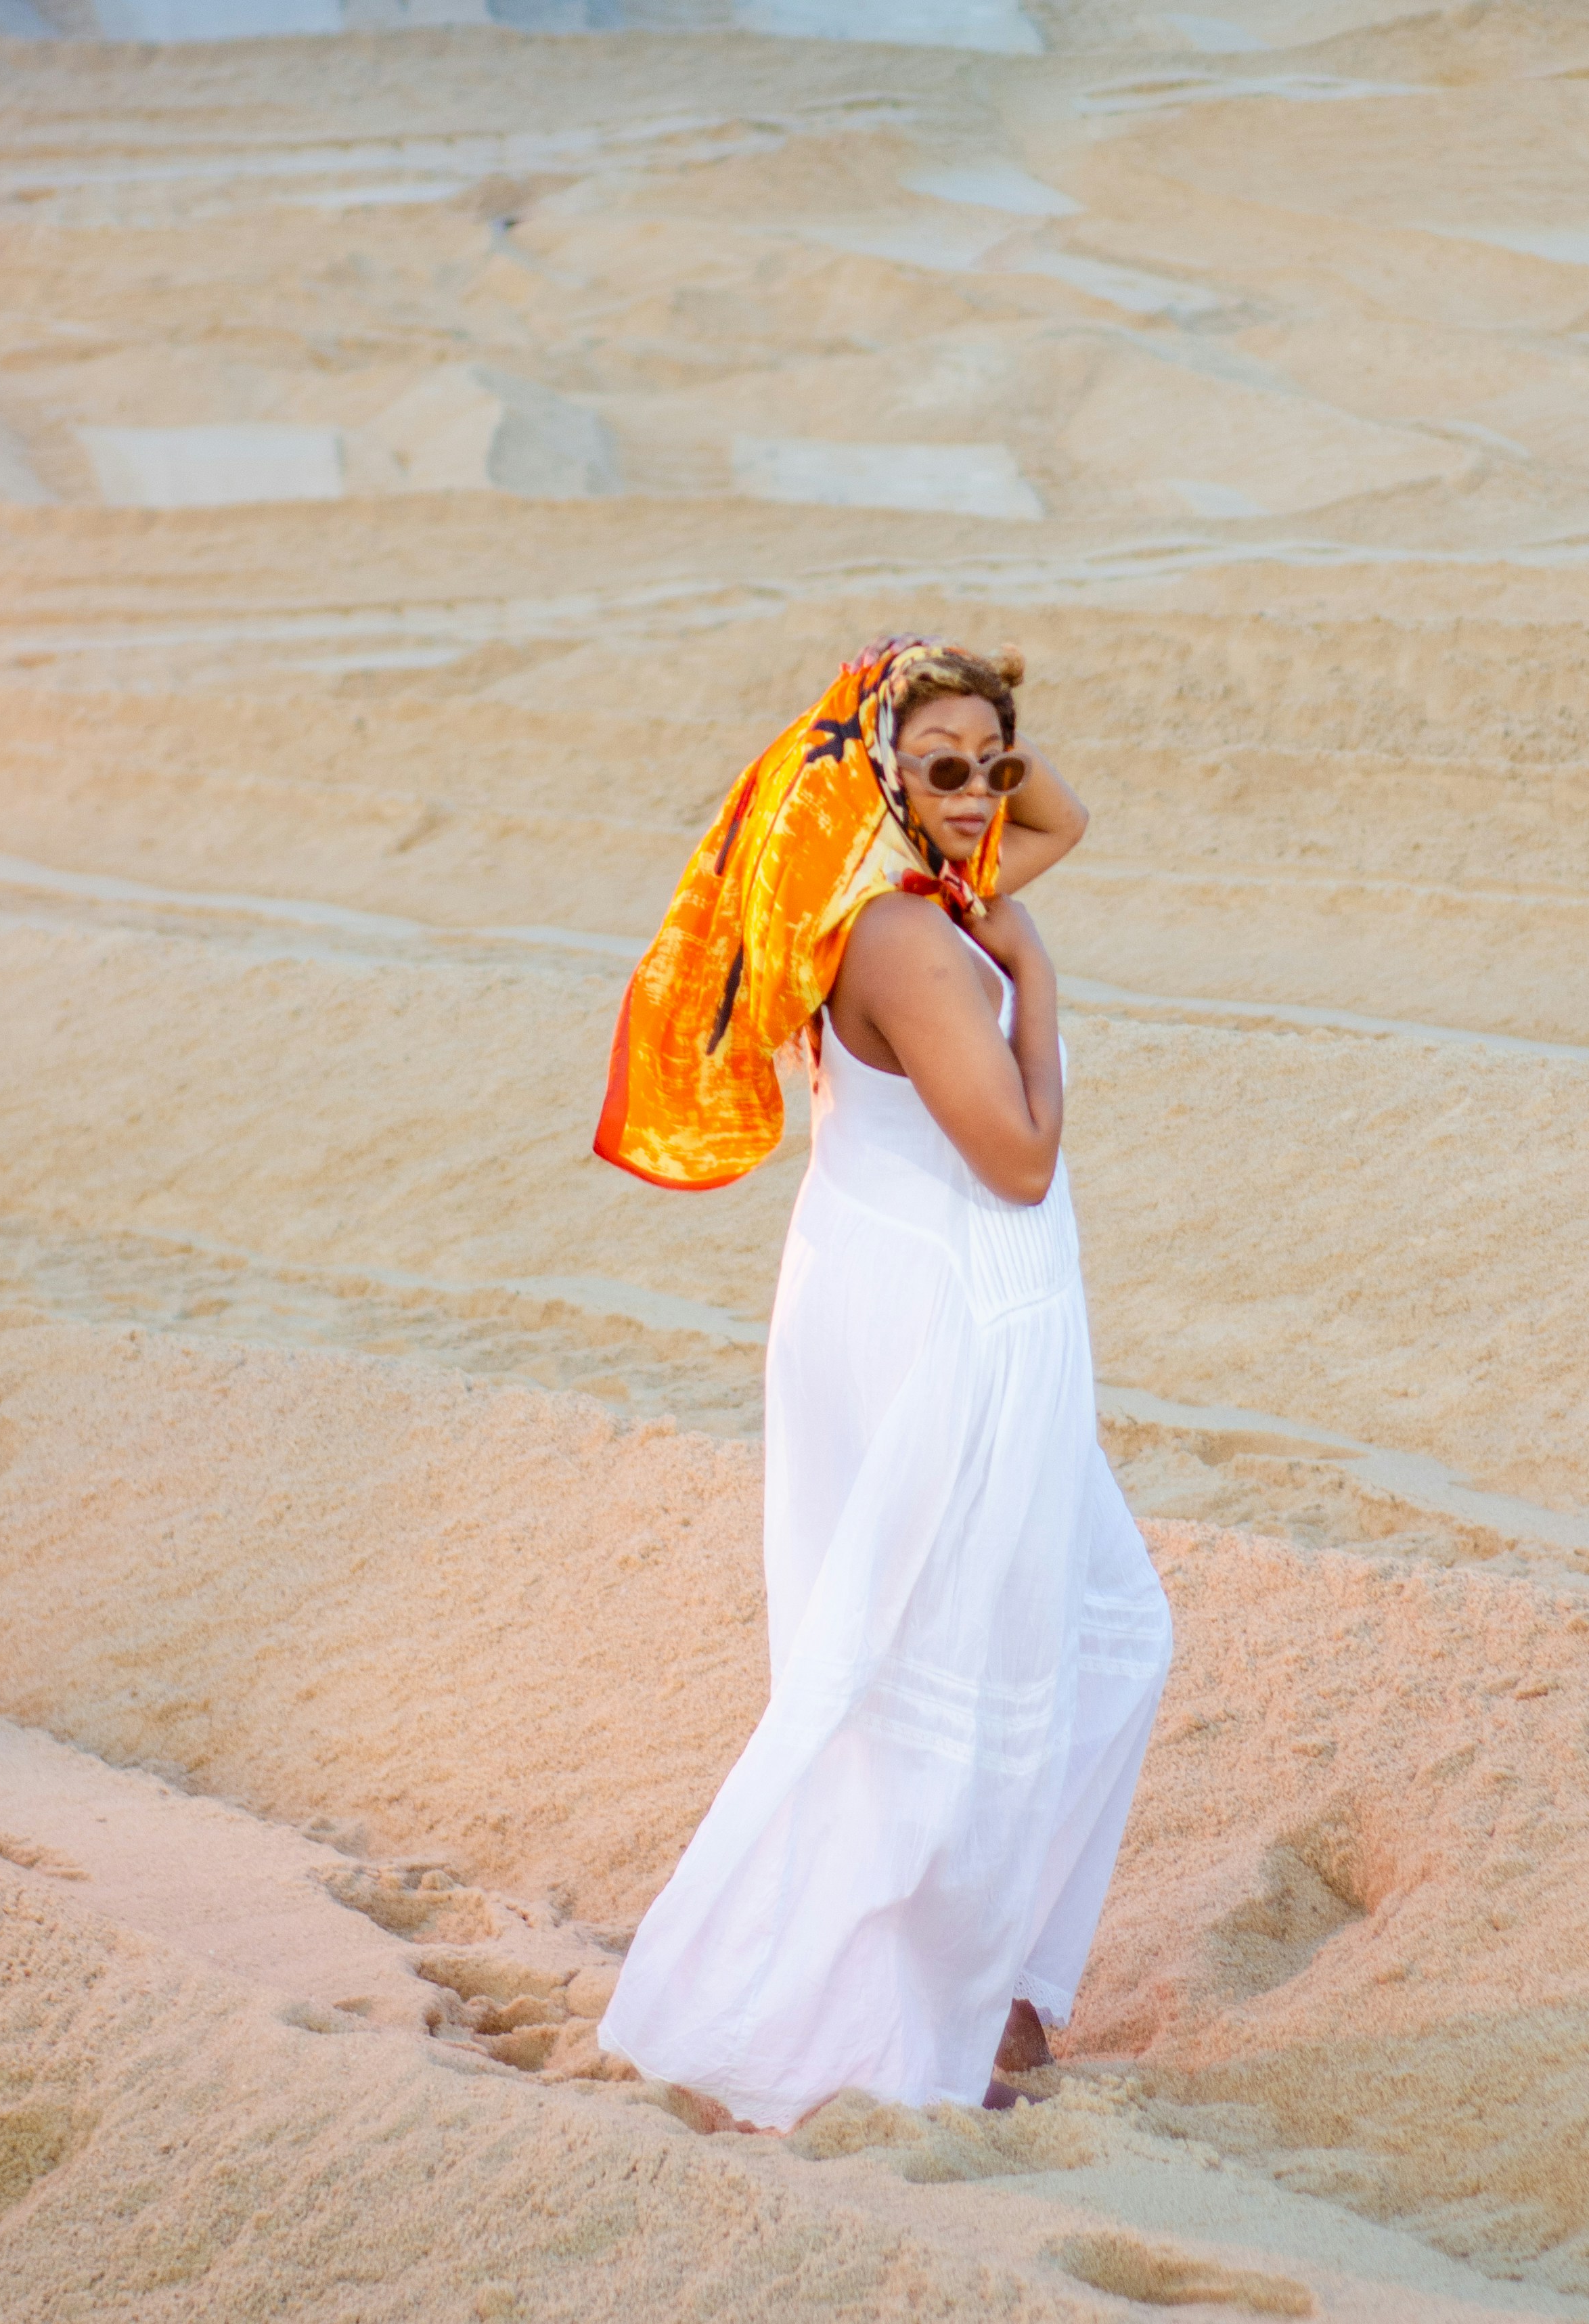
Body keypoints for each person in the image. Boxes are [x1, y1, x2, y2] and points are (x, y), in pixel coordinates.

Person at [594, 637, 1172, 2129]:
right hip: (952, 1317)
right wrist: (1034, 979)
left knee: (1084, 1639)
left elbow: (1065, 819)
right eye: (945, 769)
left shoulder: (913, 890)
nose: (985, 798)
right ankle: (918, 2044)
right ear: (873, 777)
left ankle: (995, 1994)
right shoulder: (913, 939)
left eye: (996, 763)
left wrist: (943, 707)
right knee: (951, 1677)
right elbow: (1020, 1158)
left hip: (942, 1296)